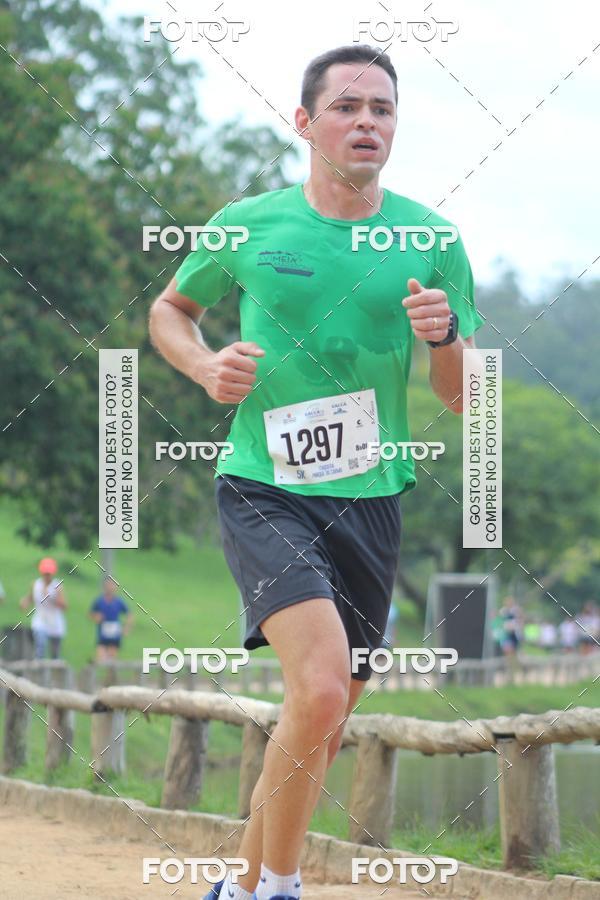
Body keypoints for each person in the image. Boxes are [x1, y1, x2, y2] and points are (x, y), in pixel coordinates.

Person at [149, 44, 484, 900]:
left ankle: (241, 886)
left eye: (382, 109)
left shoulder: (431, 240)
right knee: (324, 687)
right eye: (347, 107)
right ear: (305, 122)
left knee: (323, 717)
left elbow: (459, 398)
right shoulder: (250, 224)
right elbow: (170, 310)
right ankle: (281, 891)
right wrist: (201, 367)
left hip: (370, 501)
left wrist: (442, 338)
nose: (366, 121)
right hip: (265, 485)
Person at [20, 557, 67, 659]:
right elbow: (31, 597)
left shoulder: (57, 586)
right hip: (40, 620)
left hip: (55, 622)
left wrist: (50, 596)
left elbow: (64, 606)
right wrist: (25, 602)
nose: (47, 576)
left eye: (48, 573)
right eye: (45, 573)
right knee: (40, 644)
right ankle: (39, 666)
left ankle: (55, 670)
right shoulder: (35, 584)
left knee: (55, 653)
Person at [89, 577, 133, 662]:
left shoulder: (119, 602)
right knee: (101, 657)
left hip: (115, 634)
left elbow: (129, 614)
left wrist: (126, 627)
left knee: (112, 659)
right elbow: (91, 614)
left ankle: (110, 675)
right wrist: (96, 617)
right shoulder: (99, 601)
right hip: (102, 633)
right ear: (104, 586)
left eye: (113, 585)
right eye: (109, 585)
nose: (111, 587)